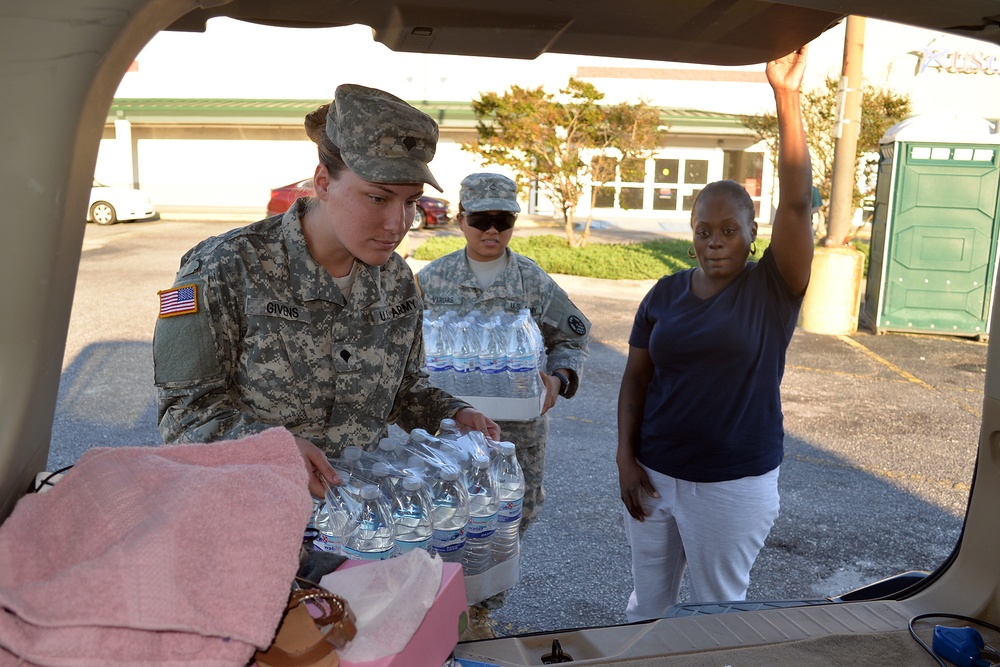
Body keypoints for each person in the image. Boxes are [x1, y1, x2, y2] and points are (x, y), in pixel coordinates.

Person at [153, 83, 499, 499]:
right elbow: (184, 414)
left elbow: (404, 388)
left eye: (410, 202)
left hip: (361, 515)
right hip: (251, 506)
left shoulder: (396, 280)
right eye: (377, 197)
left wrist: (453, 412)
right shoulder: (225, 267)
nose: (397, 222)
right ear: (322, 183)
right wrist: (274, 451)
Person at [615, 46, 814, 622]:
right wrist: (626, 460)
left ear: (753, 232)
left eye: (730, 229)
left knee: (717, 615)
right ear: (692, 233)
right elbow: (635, 382)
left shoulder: (772, 290)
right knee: (647, 605)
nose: (715, 240)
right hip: (653, 477)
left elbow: (798, 201)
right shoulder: (665, 294)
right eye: (704, 229)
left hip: (731, 484)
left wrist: (786, 97)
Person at [415, 172, 590, 635]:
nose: (491, 231)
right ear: (460, 220)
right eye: (480, 220)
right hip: (451, 425)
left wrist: (559, 377)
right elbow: (403, 347)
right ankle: (444, 604)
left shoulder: (530, 279)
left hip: (519, 429)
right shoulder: (431, 280)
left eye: (502, 220)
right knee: (448, 510)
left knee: (519, 507)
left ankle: (482, 609)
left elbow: (572, 333)